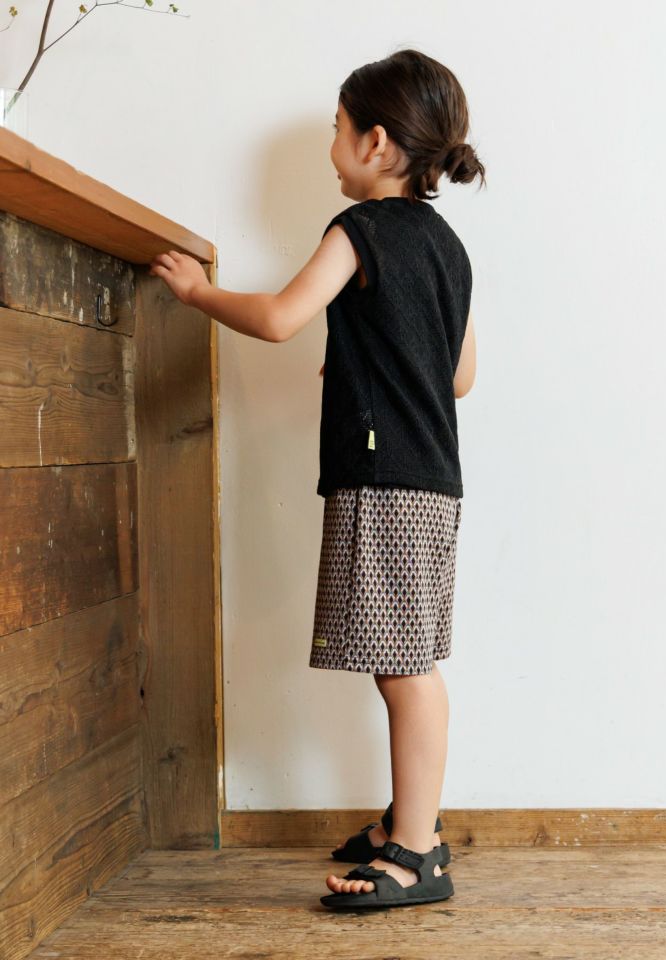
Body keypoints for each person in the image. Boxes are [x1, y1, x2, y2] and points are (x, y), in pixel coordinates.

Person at [149, 47, 485, 911]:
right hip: (433, 482)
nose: (330, 147)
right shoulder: (449, 248)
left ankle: (417, 852)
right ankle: (407, 823)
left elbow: (278, 318)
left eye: (337, 130)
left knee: (404, 669)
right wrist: (374, 354)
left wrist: (197, 294)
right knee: (404, 657)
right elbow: (459, 376)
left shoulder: (359, 230)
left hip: (384, 481)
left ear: (376, 143)